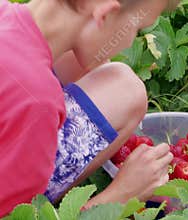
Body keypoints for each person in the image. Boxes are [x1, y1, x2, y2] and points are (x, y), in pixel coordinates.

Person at [0, 0, 178, 216]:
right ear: (104, 15)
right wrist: (120, 196)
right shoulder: (39, 103)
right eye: (136, 28)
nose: (130, 40)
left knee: (85, 69)